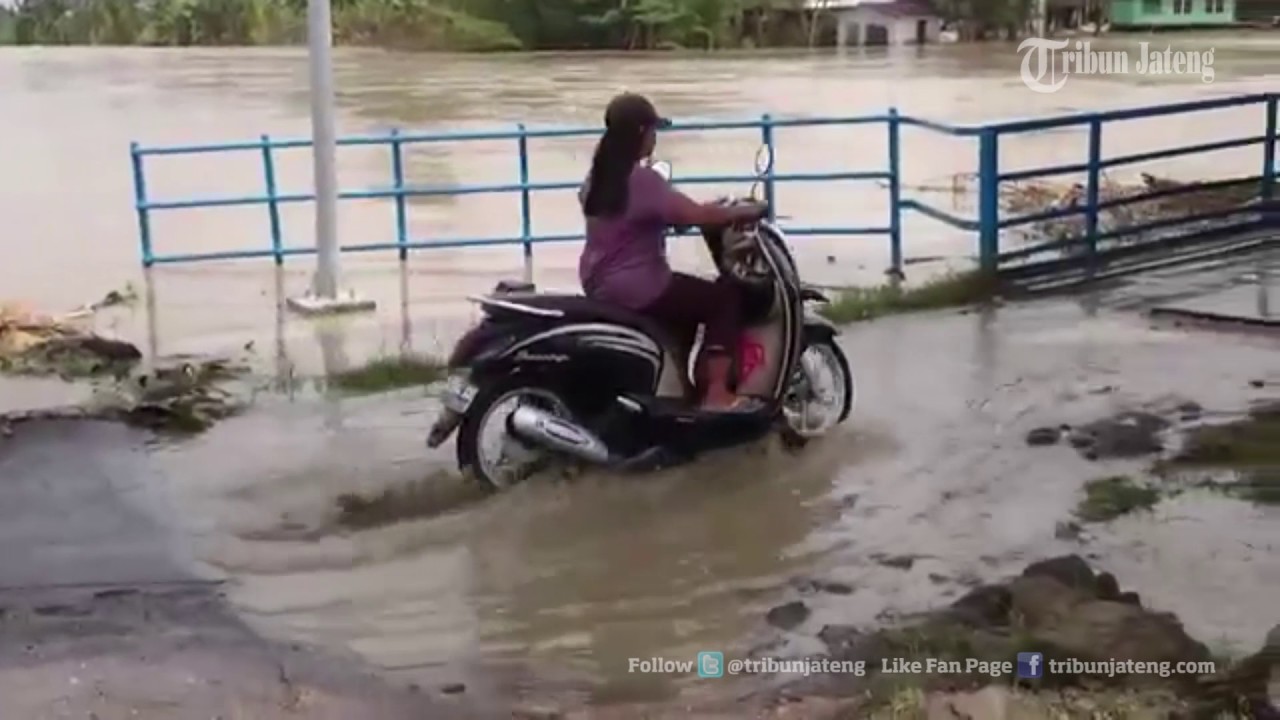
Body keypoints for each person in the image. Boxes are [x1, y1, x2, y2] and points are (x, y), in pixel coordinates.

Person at [578, 92, 766, 412]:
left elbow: (639, 219)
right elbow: (696, 215)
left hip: (598, 281)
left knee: (683, 308)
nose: (655, 139)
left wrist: (685, 217)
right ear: (640, 132)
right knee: (722, 300)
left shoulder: (597, 178)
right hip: (639, 286)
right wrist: (743, 211)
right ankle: (717, 394)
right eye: (653, 131)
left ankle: (679, 387)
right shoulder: (642, 180)